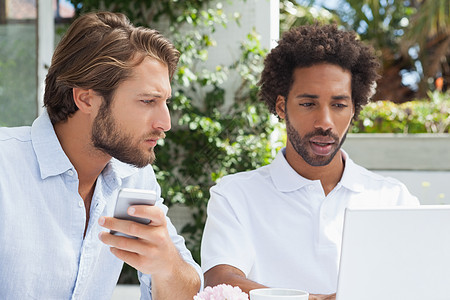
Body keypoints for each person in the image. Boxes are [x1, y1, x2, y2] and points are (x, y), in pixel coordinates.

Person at [200, 24, 419, 300]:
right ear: (281, 107)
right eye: (308, 104)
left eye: (339, 105)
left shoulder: (393, 199)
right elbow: (220, 282)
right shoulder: (234, 195)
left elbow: (416, 282)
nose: (324, 122)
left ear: (354, 109)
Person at [0, 12, 202, 299]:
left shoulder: (134, 177)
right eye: (148, 101)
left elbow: (190, 290)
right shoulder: (5, 167)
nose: (165, 123)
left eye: (165, 102)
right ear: (85, 98)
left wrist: (166, 264)